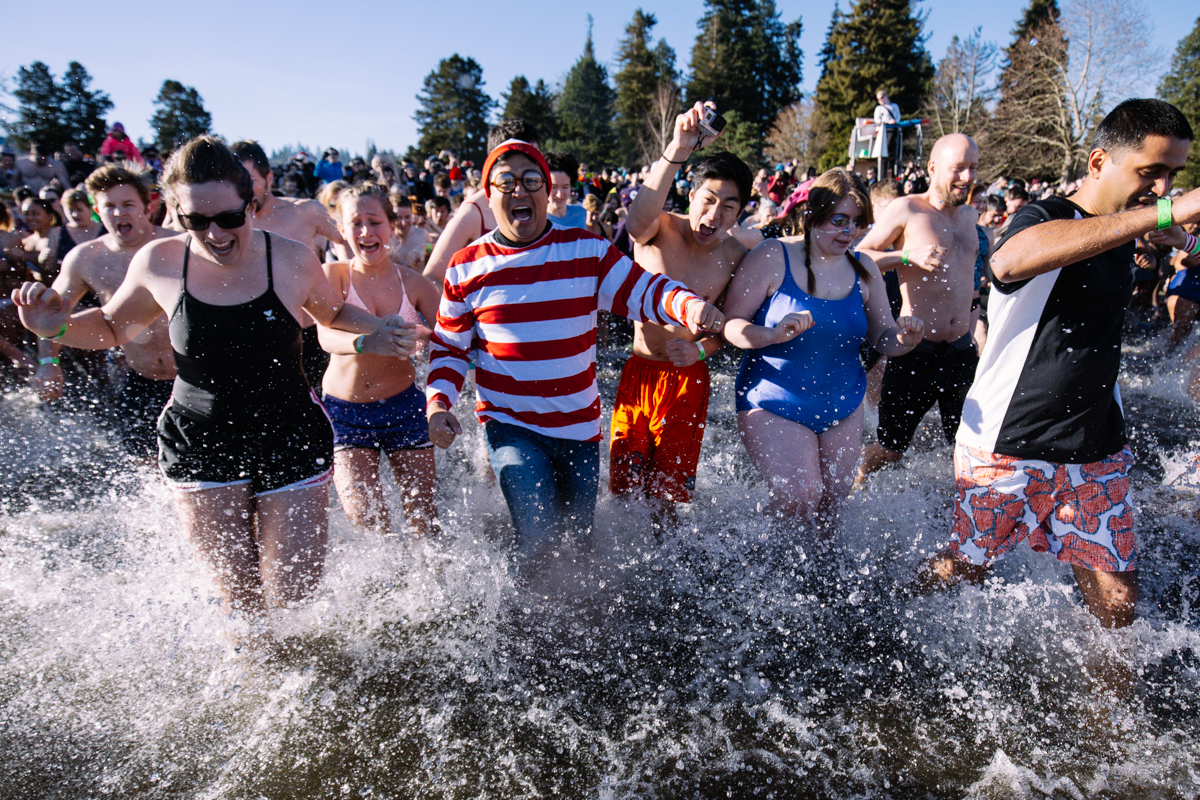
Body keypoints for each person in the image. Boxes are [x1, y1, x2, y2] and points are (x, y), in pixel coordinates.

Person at [12, 136, 414, 625]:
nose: (216, 233)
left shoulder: (289, 258)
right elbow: (115, 326)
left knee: (295, 592)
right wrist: (51, 328)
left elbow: (329, 311)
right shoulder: (159, 262)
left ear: (251, 203)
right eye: (196, 220)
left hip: (289, 431)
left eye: (229, 217)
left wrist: (380, 328)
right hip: (202, 438)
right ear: (176, 213)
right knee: (241, 602)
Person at [917, 98, 1200, 629]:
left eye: (1172, 177)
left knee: (1118, 605)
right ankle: (888, 628)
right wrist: (1165, 214)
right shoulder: (1049, 215)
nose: (1161, 189)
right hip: (1009, 440)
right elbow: (1008, 260)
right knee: (964, 569)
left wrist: (1184, 238)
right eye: (1150, 172)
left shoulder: (1130, 227)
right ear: (1098, 163)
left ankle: (1112, 711)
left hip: (1095, 443)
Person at [425, 139, 723, 569]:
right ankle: (526, 623)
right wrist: (438, 404)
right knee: (539, 539)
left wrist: (689, 304)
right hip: (512, 425)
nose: (519, 192)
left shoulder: (586, 250)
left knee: (579, 543)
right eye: (505, 182)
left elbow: (646, 290)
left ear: (549, 192)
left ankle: (574, 625)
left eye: (531, 181)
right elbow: (449, 346)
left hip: (578, 427)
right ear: (488, 197)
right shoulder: (466, 265)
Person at [725, 168, 923, 525]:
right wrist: (770, 335)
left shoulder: (864, 268)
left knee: (831, 508)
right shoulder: (772, 256)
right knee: (801, 495)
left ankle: (818, 580)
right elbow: (730, 325)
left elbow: (883, 339)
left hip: (842, 404)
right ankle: (761, 563)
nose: (850, 231)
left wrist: (905, 339)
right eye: (839, 220)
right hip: (773, 401)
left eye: (858, 222)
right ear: (812, 215)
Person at [609, 102, 750, 528]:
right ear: (691, 195)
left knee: (668, 498)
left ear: (740, 212)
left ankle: (667, 582)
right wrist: (679, 147)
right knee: (622, 488)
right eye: (708, 200)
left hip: (688, 381)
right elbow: (634, 222)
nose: (714, 214)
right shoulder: (657, 229)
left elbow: (730, 325)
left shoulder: (736, 256)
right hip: (638, 373)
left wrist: (703, 352)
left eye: (728, 206)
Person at [855, 134, 982, 482]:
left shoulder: (970, 216)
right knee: (891, 450)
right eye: (958, 169)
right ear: (933, 168)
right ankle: (850, 489)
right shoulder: (907, 209)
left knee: (976, 448)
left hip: (960, 351)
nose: (967, 178)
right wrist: (907, 256)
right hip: (915, 351)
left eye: (973, 168)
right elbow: (859, 258)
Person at [318, 182, 442, 536]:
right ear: (341, 230)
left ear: (392, 226)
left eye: (374, 222)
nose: (366, 232)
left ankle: (427, 587)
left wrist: (422, 338)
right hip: (346, 412)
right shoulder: (333, 276)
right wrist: (367, 342)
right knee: (367, 520)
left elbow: (450, 343)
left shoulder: (415, 285)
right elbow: (324, 335)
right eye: (355, 223)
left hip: (404, 406)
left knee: (424, 521)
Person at [36, 166, 176, 459]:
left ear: (147, 207)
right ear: (98, 210)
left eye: (127, 205)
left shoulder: (176, 245)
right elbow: (51, 314)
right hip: (141, 376)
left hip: (191, 376)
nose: (118, 214)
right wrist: (48, 361)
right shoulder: (86, 258)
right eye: (110, 206)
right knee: (145, 466)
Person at [422, 119, 540, 288]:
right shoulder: (474, 211)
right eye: (525, 157)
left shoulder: (542, 201)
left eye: (536, 157)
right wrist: (465, 310)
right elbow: (431, 278)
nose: (534, 166)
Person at [545, 151, 588, 229]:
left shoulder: (580, 213)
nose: (560, 195)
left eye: (565, 187)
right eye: (554, 187)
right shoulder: (537, 220)